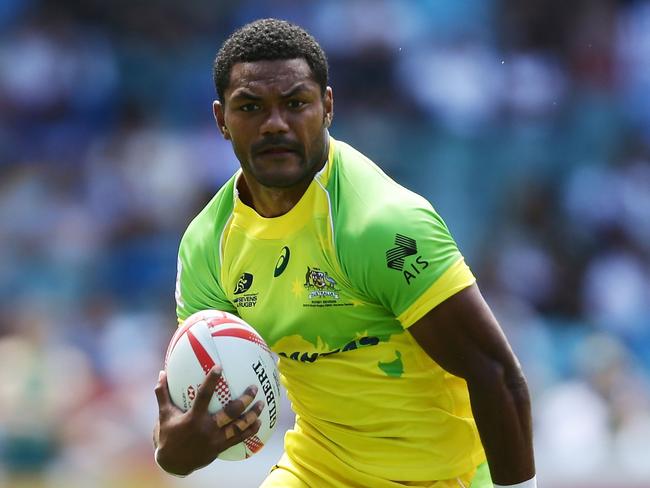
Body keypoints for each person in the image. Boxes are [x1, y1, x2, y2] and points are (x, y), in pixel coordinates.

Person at [153, 18, 536, 488]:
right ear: (221, 121)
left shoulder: (382, 224)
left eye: (296, 103)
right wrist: (176, 451)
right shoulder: (208, 245)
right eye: (250, 107)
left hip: (443, 476)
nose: (275, 123)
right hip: (320, 470)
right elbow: (195, 395)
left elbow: (496, 371)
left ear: (327, 107)